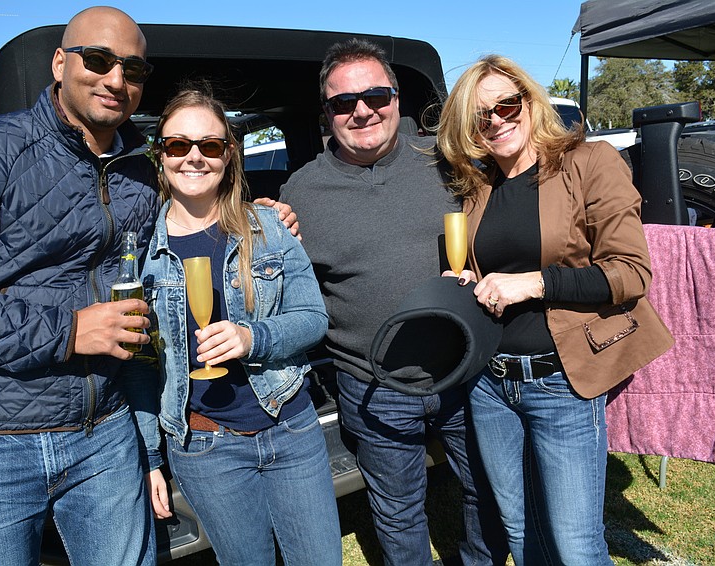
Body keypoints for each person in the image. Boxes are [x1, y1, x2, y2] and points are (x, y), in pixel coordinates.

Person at [0, 7, 162, 565]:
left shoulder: (140, 169)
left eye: (134, 69)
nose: (116, 80)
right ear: (59, 63)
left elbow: (193, 219)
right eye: (98, 59)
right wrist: (67, 332)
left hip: (106, 431)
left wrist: (262, 217)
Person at [435, 54, 673, 564]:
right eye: (482, 115)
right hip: (490, 385)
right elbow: (497, 269)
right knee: (521, 533)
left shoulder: (589, 162)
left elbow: (631, 272)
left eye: (507, 104)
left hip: (560, 381)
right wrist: (472, 284)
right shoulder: (479, 187)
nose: (497, 120)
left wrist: (534, 284)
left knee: (575, 543)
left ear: (529, 100)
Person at [279, 39, 508, 566]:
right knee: (399, 512)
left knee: (489, 491)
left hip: (467, 373)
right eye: (343, 102)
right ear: (327, 113)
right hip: (372, 385)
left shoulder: (450, 163)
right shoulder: (300, 193)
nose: (362, 110)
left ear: (397, 98)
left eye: (376, 94)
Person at [122, 86, 342, 566]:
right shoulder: (141, 256)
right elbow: (140, 366)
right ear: (160, 155)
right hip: (205, 446)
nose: (194, 157)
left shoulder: (267, 226)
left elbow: (313, 319)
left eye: (210, 145)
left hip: (291, 426)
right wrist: (150, 458)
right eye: (179, 145)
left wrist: (251, 338)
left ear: (229, 155)